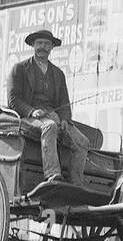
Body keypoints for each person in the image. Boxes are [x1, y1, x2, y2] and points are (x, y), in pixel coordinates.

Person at [6, 29, 90, 186]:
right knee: (50, 127)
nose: (42, 47)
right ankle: (52, 176)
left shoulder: (58, 74)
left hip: (53, 117)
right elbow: (13, 99)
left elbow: (64, 102)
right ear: (33, 45)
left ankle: (76, 182)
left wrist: (64, 119)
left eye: (46, 44)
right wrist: (32, 111)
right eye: (39, 43)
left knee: (82, 141)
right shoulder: (20, 69)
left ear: (52, 47)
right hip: (28, 119)